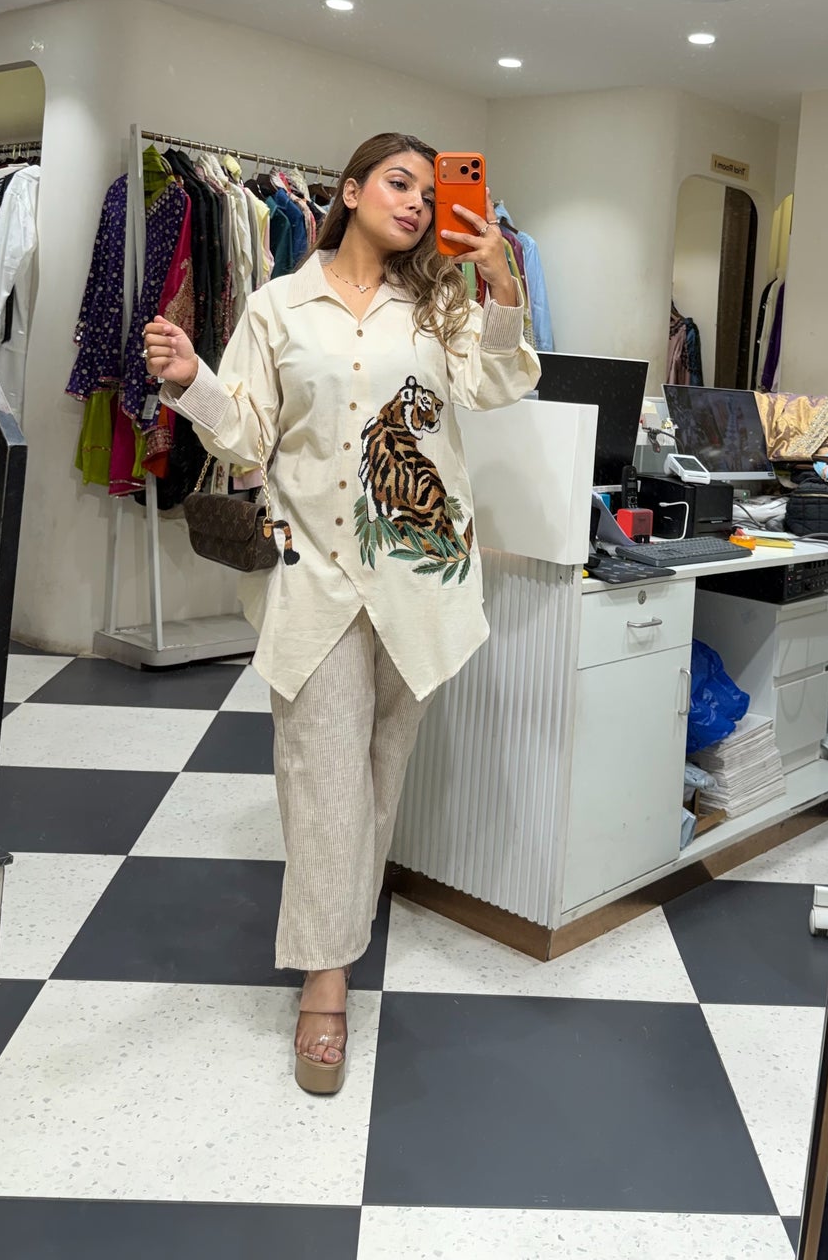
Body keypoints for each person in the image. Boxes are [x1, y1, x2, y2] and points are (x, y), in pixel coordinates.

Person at [144, 132, 539, 1094]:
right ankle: (326, 985)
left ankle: (340, 928)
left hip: (419, 576)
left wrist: (499, 280)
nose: (415, 204)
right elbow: (248, 435)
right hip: (314, 573)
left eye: (427, 193)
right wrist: (191, 379)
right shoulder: (279, 306)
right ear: (352, 191)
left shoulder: (439, 305)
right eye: (398, 184)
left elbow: (498, 384)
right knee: (322, 779)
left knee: (378, 774)